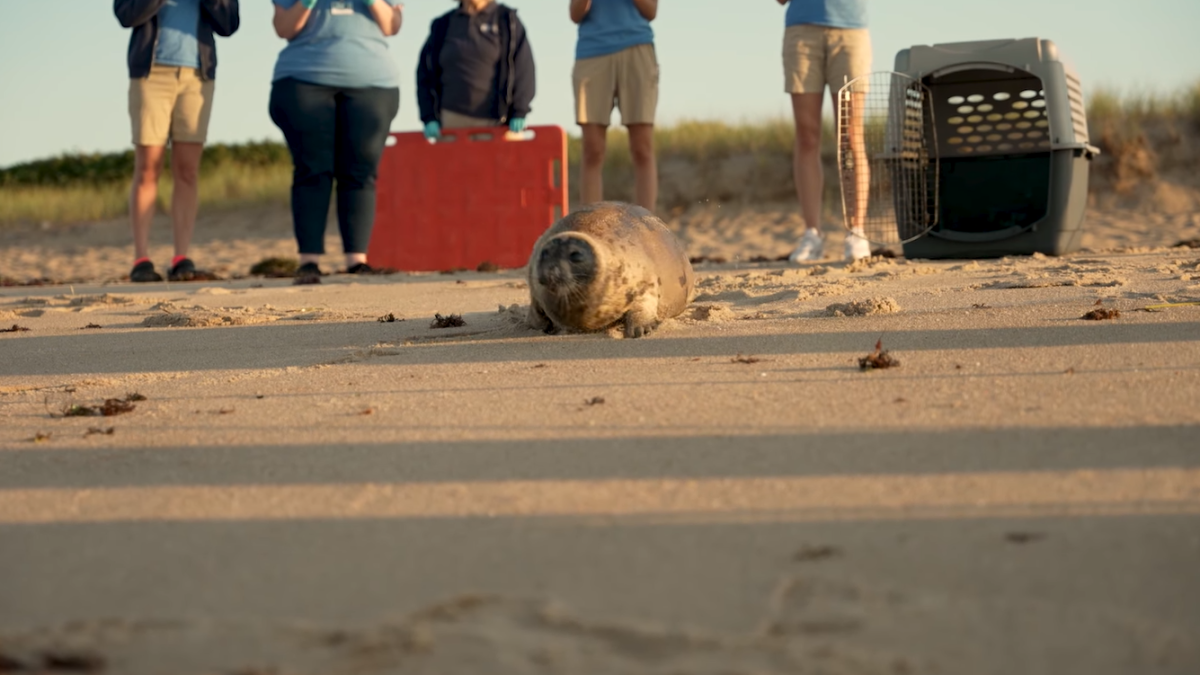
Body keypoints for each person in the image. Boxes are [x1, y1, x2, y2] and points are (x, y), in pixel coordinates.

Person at [269, 0, 403, 284]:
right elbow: (284, 28)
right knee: (312, 168)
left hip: (373, 82)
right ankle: (309, 261)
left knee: (360, 170)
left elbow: (392, 26)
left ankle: (357, 260)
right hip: (303, 80)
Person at [114, 0, 241, 282]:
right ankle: (141, 259)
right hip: (151, 73)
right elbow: (125, 15)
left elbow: (229, 24)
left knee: (187, 170)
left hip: (198, 76)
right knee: (148, 167)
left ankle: (181, 257)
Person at [778, 0, 873, 262]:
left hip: (851, 30)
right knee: (807, 136)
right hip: (801, 32)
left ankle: (857, 232)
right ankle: (812, 233)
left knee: (850, 134)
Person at [569, 0, 659, 212]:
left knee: (642, 147)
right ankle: (591, 227)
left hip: (637, 47)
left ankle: (646, 228)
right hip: (592, 52)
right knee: (593, 149)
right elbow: (575, 14)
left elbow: (651, 10)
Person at [417, 0, 536, 137]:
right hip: (451, 124)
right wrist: (429, 117)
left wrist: (519, 111)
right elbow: (424, 73)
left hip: (498, 124)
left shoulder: (507, 20)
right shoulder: (442, 25)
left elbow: (524, 69)